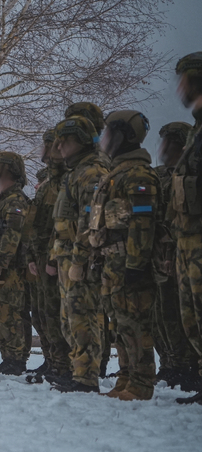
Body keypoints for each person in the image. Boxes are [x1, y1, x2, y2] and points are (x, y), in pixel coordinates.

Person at [84, 111, 159, 400]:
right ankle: (126, 377)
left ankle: (141, 382)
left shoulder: (138, 175)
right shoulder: (115, 175)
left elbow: (144, 223)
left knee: (135, 323)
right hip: (111, 262)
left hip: (128, 262)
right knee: (119, 324)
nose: (103, 140)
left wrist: (137, 264)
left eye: (108, 134)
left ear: (124, 136)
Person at [49, 115, 110, 393]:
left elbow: (91, 221)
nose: (59, 147)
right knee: (69, 318)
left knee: (82, 316)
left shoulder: (92, 173)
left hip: (80, 260)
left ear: (83, 142)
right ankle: (78, 370)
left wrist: (80, 259)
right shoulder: (75, 172)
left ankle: (86, 376)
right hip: (67, 257)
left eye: (65, 141)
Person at [166, 52, 202, 404]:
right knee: (192, 319)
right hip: (189, 246)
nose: (179, 87)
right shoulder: (196, 133)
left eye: (184, 78)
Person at [151, 122, 198, 389]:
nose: (163, 148)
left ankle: (187, 366)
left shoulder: (187, 174)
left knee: (181, 314)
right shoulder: (159, 175)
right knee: (162, 314)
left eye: (169, 142)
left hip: (179, 253)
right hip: (160, 254)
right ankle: (170, 363)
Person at [26, 131, 71, 382]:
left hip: (56, 260)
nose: (44, 151)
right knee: (44, 313)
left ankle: (64, 365)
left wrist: (52, 259)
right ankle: (54, 361)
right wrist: (33, 256)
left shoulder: (65, 182)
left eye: (48, 146)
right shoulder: (49, 185)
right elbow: (36, 225)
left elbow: (60, 225)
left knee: (57, 314)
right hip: (42, 259)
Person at [0, 152, 32, 375]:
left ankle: (15, 359)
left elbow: (11, 238)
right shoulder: (3, 202)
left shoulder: (15, 202)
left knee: (10, 315)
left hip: (11, 270)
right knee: (0, 316)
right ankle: (10, 357)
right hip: (1, 268)